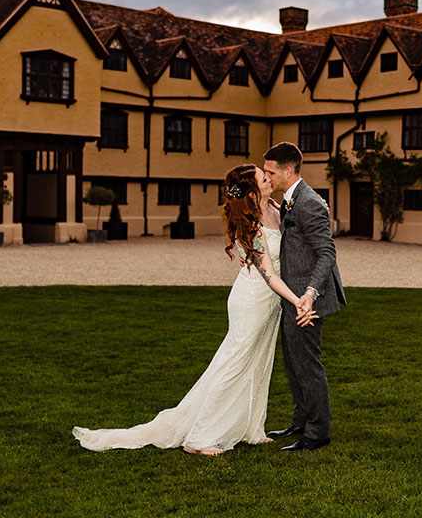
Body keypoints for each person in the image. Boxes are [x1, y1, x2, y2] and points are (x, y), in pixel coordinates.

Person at [71, 164, 316, 456]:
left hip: (269, 302)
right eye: (264, 178)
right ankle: (199, 438)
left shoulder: (275, 207)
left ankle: (252, 428)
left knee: (260, 361)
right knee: (233, 364)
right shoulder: (251, 227)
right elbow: (269, 276)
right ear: (251, 194)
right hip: (252, 298)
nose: (269, 178)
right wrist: (298, 300)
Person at [262, 142, 346, 452]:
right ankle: (300, 420)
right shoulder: (288, 200)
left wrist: (310, 294)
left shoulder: (309, 203)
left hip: (307, 300)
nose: (268, 177)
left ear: (287, 170)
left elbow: (326, 252)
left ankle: (317, 432)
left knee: (308, 365)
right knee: (293, 363)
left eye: (271, 171)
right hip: (292, 297)